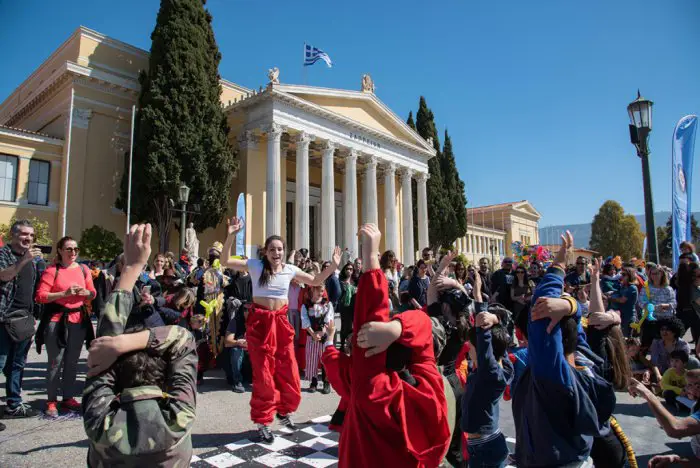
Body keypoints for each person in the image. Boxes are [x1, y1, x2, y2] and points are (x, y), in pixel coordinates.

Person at [321, 223, 450, 468]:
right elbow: (425, 324)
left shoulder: (373, 390)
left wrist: (329, 343)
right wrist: (398, 329)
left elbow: (350, 352)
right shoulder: (430, 394)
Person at [82, 223, 197, 467]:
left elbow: (102, 351)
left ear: (113, 374)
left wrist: (131, 268)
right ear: (165, 376)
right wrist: (123, 343)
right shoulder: (178, 419)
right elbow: (185, 339)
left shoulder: (100, 424)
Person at [222, 216, 341, 443]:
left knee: (290, 372)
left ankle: (284, 411)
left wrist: (334, 266)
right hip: (260, 324)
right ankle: (263, 421)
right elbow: (225, 260)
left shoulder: (290, 270)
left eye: (280, 249)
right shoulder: (256, 266)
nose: (277, 253)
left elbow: (316, 280)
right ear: (266, 252)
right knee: (265, 376)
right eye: (272, 249)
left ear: (284, 252)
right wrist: (231, 235)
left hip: (281, 323)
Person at [513, 231, 615, 467]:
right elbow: (574, 323)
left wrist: (560, 262)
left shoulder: (553, 374)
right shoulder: (587, 358)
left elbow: (542, 305)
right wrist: (572, 306)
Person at [35, 236, 96, 417]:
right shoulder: (52, 270)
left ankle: (67, 398)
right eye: (69, 249)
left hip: (78, 320)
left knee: (72, 362)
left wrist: (86, 293)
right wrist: (64, 293)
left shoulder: (84, 269)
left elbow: (92, 293)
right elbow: (40, 296)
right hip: (56, 320)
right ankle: (52, 401)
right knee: (55, 362)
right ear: (60, 250)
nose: (73, 252)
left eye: (76, 249)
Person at [0, 219, 43, 423]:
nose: (28, 238)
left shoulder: (33, 260)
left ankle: (14, 405)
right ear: (13, 235)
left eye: (31, 235)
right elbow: (4, 276)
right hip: (3, 318)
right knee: (0, 363)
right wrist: (24, 260)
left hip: (24, 319)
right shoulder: (4, 254)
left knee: (17, 364)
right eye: (24, 234)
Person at [462, 307, 513, 467]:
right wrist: (496, 321)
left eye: (471, 346)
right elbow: (500, 347)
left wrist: (482, 328)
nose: (468, 347)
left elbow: (486, 351)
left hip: (484, 449)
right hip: (485, 445)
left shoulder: (490, 375)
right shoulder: (502, 370)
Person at [629, 370, 700, 465]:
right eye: (688, 385)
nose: (688, 388)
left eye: (696, 385)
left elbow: (675, 429)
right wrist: (677, 460)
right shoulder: (696, 406)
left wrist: (648, 394)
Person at [301, 283, 334, 394]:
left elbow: (328, 319)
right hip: (311, 337)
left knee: (325, 360)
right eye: (318, 290)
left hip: (324, 336)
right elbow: (305, 321)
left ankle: (326, 382)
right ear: (313, 290)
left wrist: (321, 332)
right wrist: (313, 334)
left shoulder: (327, 304)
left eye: (322, 291)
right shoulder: (306, 306)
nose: (320, 293)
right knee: (312, 360)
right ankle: (313, 382)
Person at [640, 264, 677, 348]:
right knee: (645, 345)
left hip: (665, 321)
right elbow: (641, 302)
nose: (655, 276)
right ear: (650, 275)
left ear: (662, 274)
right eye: (653, 273)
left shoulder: (668, 288)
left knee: (664, 346)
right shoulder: (646, 288)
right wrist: (652, 307)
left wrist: (665, 305)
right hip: (650, 320)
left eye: (657, 273)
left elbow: (674, 303)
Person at [650, 317, 691, 383]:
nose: (664, 332)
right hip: (658, 375)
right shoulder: (656, 342)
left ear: (675, 331)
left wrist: (666, 378)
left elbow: (681, 366)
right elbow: (653, 362)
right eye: (662, 329)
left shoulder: (683, 345)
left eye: (668, 329)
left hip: (676, 377)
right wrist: (658, 375)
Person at [224, 298, 248, 393]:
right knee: (236, 350)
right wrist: (238, 342)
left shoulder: (258, 321)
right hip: (241, 351)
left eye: (251, 310)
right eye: (245, 310)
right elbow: (227, 342)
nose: (248, 312)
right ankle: (237, 381)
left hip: (252, 353)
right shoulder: (236, 321)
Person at [609, 266, 638, 336]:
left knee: (626, 338)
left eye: (624, 274)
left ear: (630, 276)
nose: (622, 276)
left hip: (629, 317)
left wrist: (610, 298)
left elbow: (622, 300)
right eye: (621, 274)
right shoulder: (623, 286)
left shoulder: (632, 288)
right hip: (621, 315)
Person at [337, 263, 357, 352]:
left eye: (351, 269)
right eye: (347, 269)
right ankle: (342, 344)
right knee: (344, 325)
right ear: (344, 270)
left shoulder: (354, 281)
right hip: (344, 307)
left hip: (353, 306)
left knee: (352, 326)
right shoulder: (340, 281)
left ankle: (350, 344)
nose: (349, 270)